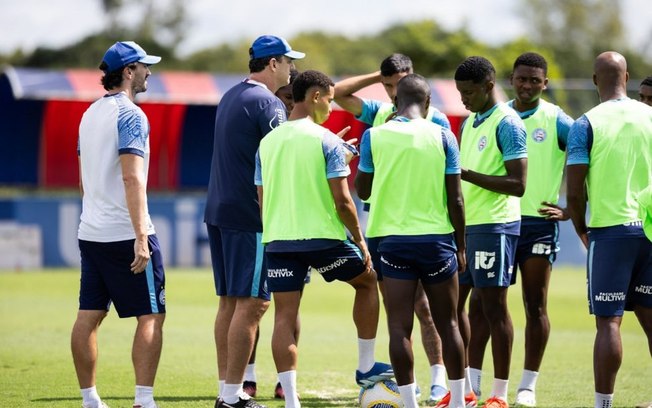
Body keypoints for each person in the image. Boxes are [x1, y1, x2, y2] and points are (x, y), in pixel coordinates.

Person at [255, 70, 393, 408]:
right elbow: (344, 201)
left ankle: (290, 400)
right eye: (330, 99)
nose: (332, 107)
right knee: (368, 280)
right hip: (324, 239)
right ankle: (365, 366)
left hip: (279, 241)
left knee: (284, 316)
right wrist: (359, 239)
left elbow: (262, 196)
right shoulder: (327, 140)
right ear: (315, 96)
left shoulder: (267, 142)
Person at [335, 52, 450, 404]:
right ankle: (409, 385)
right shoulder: (381, 113)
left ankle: (440, 378)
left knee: (428, 311)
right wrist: (377, 76)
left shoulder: (436, 118)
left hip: (424, 225)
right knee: (399, 311)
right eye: (387, 85)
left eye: (396, 84)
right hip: (386, 225)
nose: (390, 91)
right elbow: (337, 93)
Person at [465, 52, 574, 407]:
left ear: (545, 83)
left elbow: (591, 154)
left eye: (535, 80)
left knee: (535, 305)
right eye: (522, 79)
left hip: (538, 225)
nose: (527, 85)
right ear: (510, 80)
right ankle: (473, 384)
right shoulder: (492, 116)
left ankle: (527, 386)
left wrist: (573, 206)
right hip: (496, 222)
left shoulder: (556, 120)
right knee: (482, 303)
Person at [204, 34, 305, 408]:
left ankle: (225, 391)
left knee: (230, 303)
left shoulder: (231, 94)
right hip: (250, 215)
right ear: (273, 63)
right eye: (288, 62)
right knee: (253, 304)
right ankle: (232, 396)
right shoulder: (268, 103)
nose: (292, 69)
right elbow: (287, 159)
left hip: (219, 210)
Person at [354, 73, 467, 408]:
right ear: (429, 102)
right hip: (437, 242)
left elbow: (363, 190)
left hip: (390, 242)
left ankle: (409, 403)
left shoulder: (374, 136)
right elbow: (456, 199)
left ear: (394, 102)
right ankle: (459, 402)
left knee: (399, 327)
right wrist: (461, 246)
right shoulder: (445, 136)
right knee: (449, 323)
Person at [72, 41, 165, 408]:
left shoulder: (89, 114)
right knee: (152, 314)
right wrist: (141, 236)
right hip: (125, 234)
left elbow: (83, 180)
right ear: (128, 72)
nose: (149, 73)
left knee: (88, 315)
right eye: (144, 66)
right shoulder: (131, 115)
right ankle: (144, 400)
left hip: (90, 231)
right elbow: (132, 178)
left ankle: (89, 399)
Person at [566, 51, 652, 408]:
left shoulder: (585, 123)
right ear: (628, 78)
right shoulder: (650, 116)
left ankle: (603, 405)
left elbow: (573, 190)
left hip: (610, 231)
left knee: (609, 324)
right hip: (649, 231)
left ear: (594, 80)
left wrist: (582, 230)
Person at [450, 56, 528, 408]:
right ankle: (464, 390)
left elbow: (518, 184)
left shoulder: (508, 123)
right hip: (467, 228)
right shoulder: (469, 124)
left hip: (496, 226)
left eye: (468, 92)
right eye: (459, 92)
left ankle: (499, 395)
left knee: (495, 309)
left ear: (488, 85)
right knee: (454, 307)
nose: (463, 99)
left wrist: (466, 175)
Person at [243, 68, 301, 401]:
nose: (290, 105)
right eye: (287, 98)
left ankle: (285, 380)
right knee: (254, 303)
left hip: (292, 228)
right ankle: (248, 376)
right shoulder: (268, 131)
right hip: (262, 227)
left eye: (296, 99)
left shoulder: (304, 134)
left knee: (288, 308)